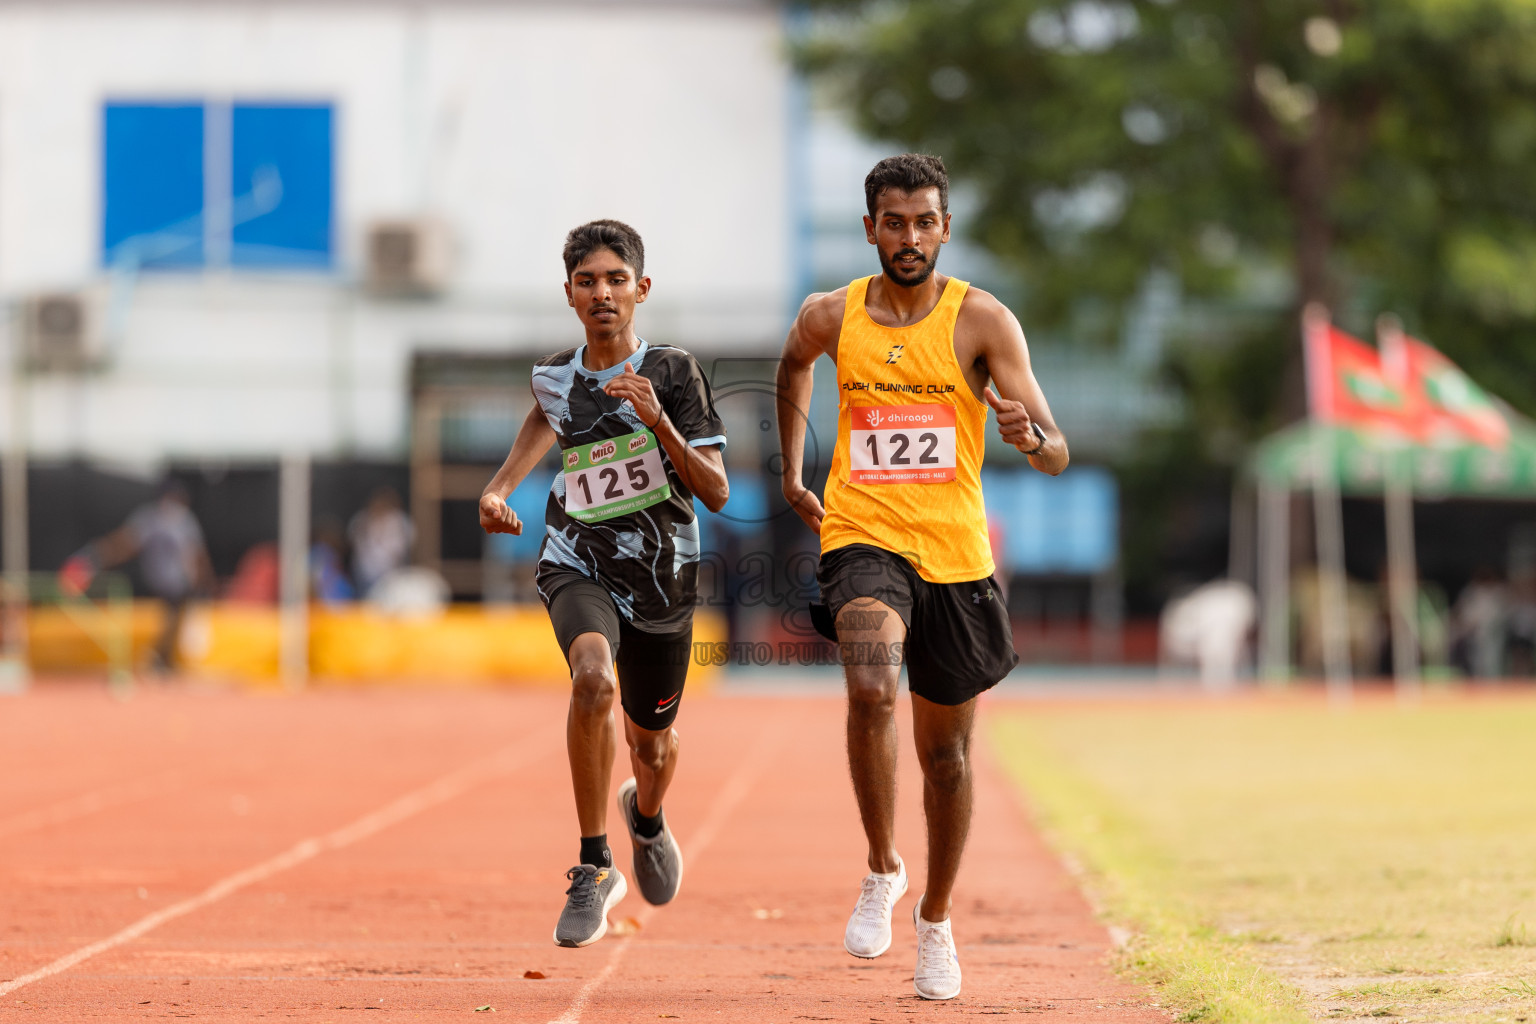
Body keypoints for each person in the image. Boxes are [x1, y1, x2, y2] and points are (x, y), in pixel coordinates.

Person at [775, 154, 1068, 1000]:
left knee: (948, 758)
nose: (909, 238)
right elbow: (792, 364)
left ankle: (934, 918)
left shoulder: (984, 322)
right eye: (893, 222)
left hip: (957, 558)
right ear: (869, 228)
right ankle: (881, 865)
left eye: (924, 222)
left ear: (945, 227)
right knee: (870, 687)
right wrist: (794, 472)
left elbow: (1057, 453)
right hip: (863, 535)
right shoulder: (830, 315)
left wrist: (1028, 438)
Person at [478, 220, 728, 948]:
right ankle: (593, 864)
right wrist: (500, 489)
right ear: (569, 294)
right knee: (593, 680)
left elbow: (714, 490)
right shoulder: (554, 375)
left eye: (616, 279)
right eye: (587, 281)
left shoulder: (675, 372)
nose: (602, 293)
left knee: (652, 746)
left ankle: (645, 815)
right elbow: (544, 415)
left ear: (641, 290)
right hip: (576, 559)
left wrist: (658, 423)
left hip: (662, 579)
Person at [61, 480, 214, 673]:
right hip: (172, 580)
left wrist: (93, 559)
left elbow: (125, 543)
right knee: (174, 616)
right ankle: (159, 659)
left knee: (176, 617)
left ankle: (163, 659)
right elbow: (125, 544)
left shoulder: (162, 518)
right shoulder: (172, 519)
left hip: (170, 579)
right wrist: (92, 560)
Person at [347, 488, 414, 596]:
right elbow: (352, 540)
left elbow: (404, 545)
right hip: (365, 571)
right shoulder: (362, 519)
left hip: (390, 571)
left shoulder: (399, 520)